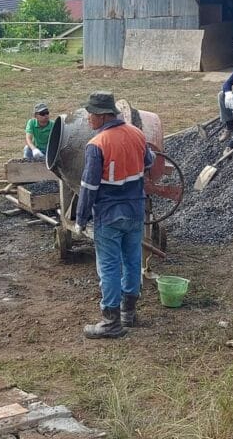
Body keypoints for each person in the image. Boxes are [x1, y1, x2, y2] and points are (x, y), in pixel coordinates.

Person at [73, 92, 155, 339]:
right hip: (135, 210)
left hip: (109, 215)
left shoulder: (97, 144)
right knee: (132, 260)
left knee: (109, 267)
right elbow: (149, 162)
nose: (88, 118)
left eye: (90, 114)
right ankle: (128, 312)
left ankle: (111, 322)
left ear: (102, 115)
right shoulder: (137, 134)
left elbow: (89, 187)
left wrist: (80, 219)